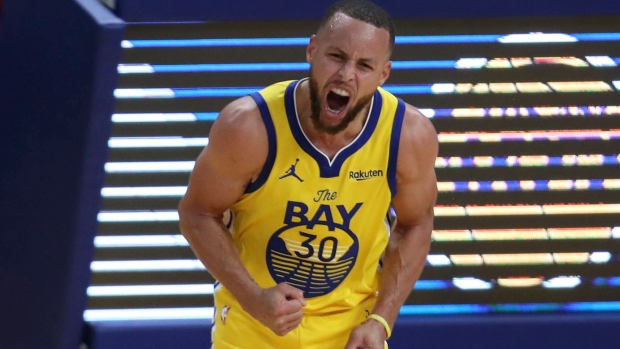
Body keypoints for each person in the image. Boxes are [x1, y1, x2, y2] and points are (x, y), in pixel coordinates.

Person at [178, 0, 438, 348]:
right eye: (337, 56)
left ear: (384, 74)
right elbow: (196, 213)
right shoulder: (248, 126)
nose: (346, 74)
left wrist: (381, 321)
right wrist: (253, 296)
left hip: (349, 334)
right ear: (312, 50)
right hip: (252, 326)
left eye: (364, 65)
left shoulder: (409, 136)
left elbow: (416, 224)